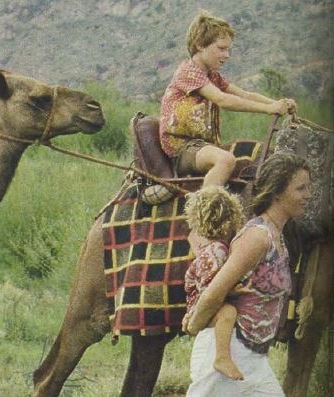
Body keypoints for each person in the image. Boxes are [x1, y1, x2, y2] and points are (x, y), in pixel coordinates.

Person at [183, 153, 311, 396]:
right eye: (300, 188)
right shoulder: (257, 237)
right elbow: (215, 290)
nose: (308, 195)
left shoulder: (277, 237)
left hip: (255, 358)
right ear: (277, 192)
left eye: (308, 187)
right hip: (226, 353)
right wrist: (194, 324)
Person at [159, 10, 297, 187]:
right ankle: (205, 209)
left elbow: (244, 94)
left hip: (201, 145)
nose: (227, 55)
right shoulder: (188, 72)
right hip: (184, 148)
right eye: (221, 48)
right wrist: (268, 109)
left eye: (228, 49)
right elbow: (223, 100)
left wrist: (278, 103)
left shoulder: (213, 76)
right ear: (200, 45)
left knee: (256, 151)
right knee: (225, 160)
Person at [183, 186, 245, 381]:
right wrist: (235, 291)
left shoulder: (214, 248)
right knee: (228, 313)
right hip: (202, 305)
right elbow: (210, 288)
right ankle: (222, 357)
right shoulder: (217, 250)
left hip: (202, 302)